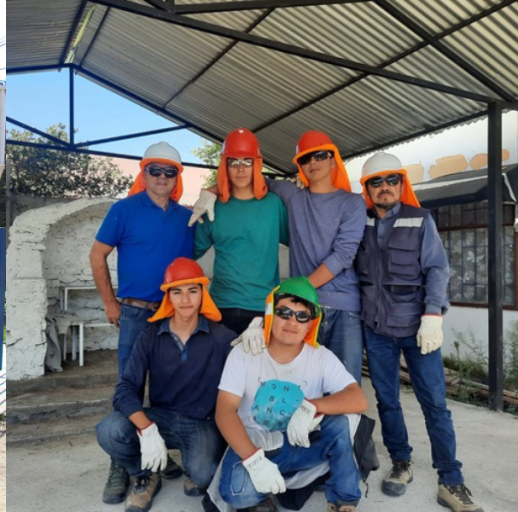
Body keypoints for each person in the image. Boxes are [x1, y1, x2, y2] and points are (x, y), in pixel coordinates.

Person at [354, 153, 482, 512]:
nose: (385, 187)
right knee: (388, 401)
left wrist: (433, 315)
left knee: (435, 404)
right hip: (376, 329)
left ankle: (451, 479)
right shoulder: (358, 221)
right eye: (376, 182)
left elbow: (438, 269)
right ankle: (401, 462)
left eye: (391, 180)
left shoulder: (419, 218)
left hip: (416, 327)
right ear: (366, 188)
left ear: (401, 182)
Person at [190, 130, 367, 383]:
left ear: (333, 159)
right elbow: (252, 181)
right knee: (238, 380)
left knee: (343, 382)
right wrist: (210, 190)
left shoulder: (340, 202)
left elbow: (343, 253)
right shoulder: (289, 196)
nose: (313, 163)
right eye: (306, 159)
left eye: (319, 156)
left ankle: (340, 423)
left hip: (305, 305)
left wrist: (298, 290)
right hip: (240, 307)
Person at [91, 141, 196, 498]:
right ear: (144, 172)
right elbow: (97, 255)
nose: (162, 177)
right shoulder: (124, 209)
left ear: (177, 176)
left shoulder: (187, 218)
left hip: (172, 313)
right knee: (129, 387)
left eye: (170, 171)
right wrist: (110, 303)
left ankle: (159, 455)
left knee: (167, 387)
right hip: (135, 312)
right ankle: (122, 464)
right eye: (155, 170)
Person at [212, 277, 367, 512]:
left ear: (310, 324)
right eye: (284, 312)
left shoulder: (320, 356)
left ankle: (343, 499)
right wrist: (254, 462)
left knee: (344, 421)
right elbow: (224, 411)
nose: (292, 321)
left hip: (303, 443)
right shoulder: (244, 352)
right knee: (236, 494)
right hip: (257, 444)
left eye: (301, 315)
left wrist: (310, 406)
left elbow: (358, 399)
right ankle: (275, 486)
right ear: (271, 314)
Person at [96, 258, 235, 512]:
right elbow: (125, 388)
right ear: (168, 297)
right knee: (109, 430)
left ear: (202, 294)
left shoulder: (222, 337)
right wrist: (147, 430)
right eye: (177, 291)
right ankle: (147, 473)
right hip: (159, 417)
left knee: (204, 476)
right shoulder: (151, 335)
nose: (185, 299)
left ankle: (191, 468)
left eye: (193, 291)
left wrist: (260, 333)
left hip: (200, 421)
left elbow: (250, 370)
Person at [193, 128, 288, 334]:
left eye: (247, 161)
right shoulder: (213, 207)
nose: (241, 169)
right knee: (222, 366)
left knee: (260, 367)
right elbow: (190, 251)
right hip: (221, 306)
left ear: (257, 163)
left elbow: (300, 242)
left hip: (263, 306)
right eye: (234, 162)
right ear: (224, 165)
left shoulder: (273, 205)